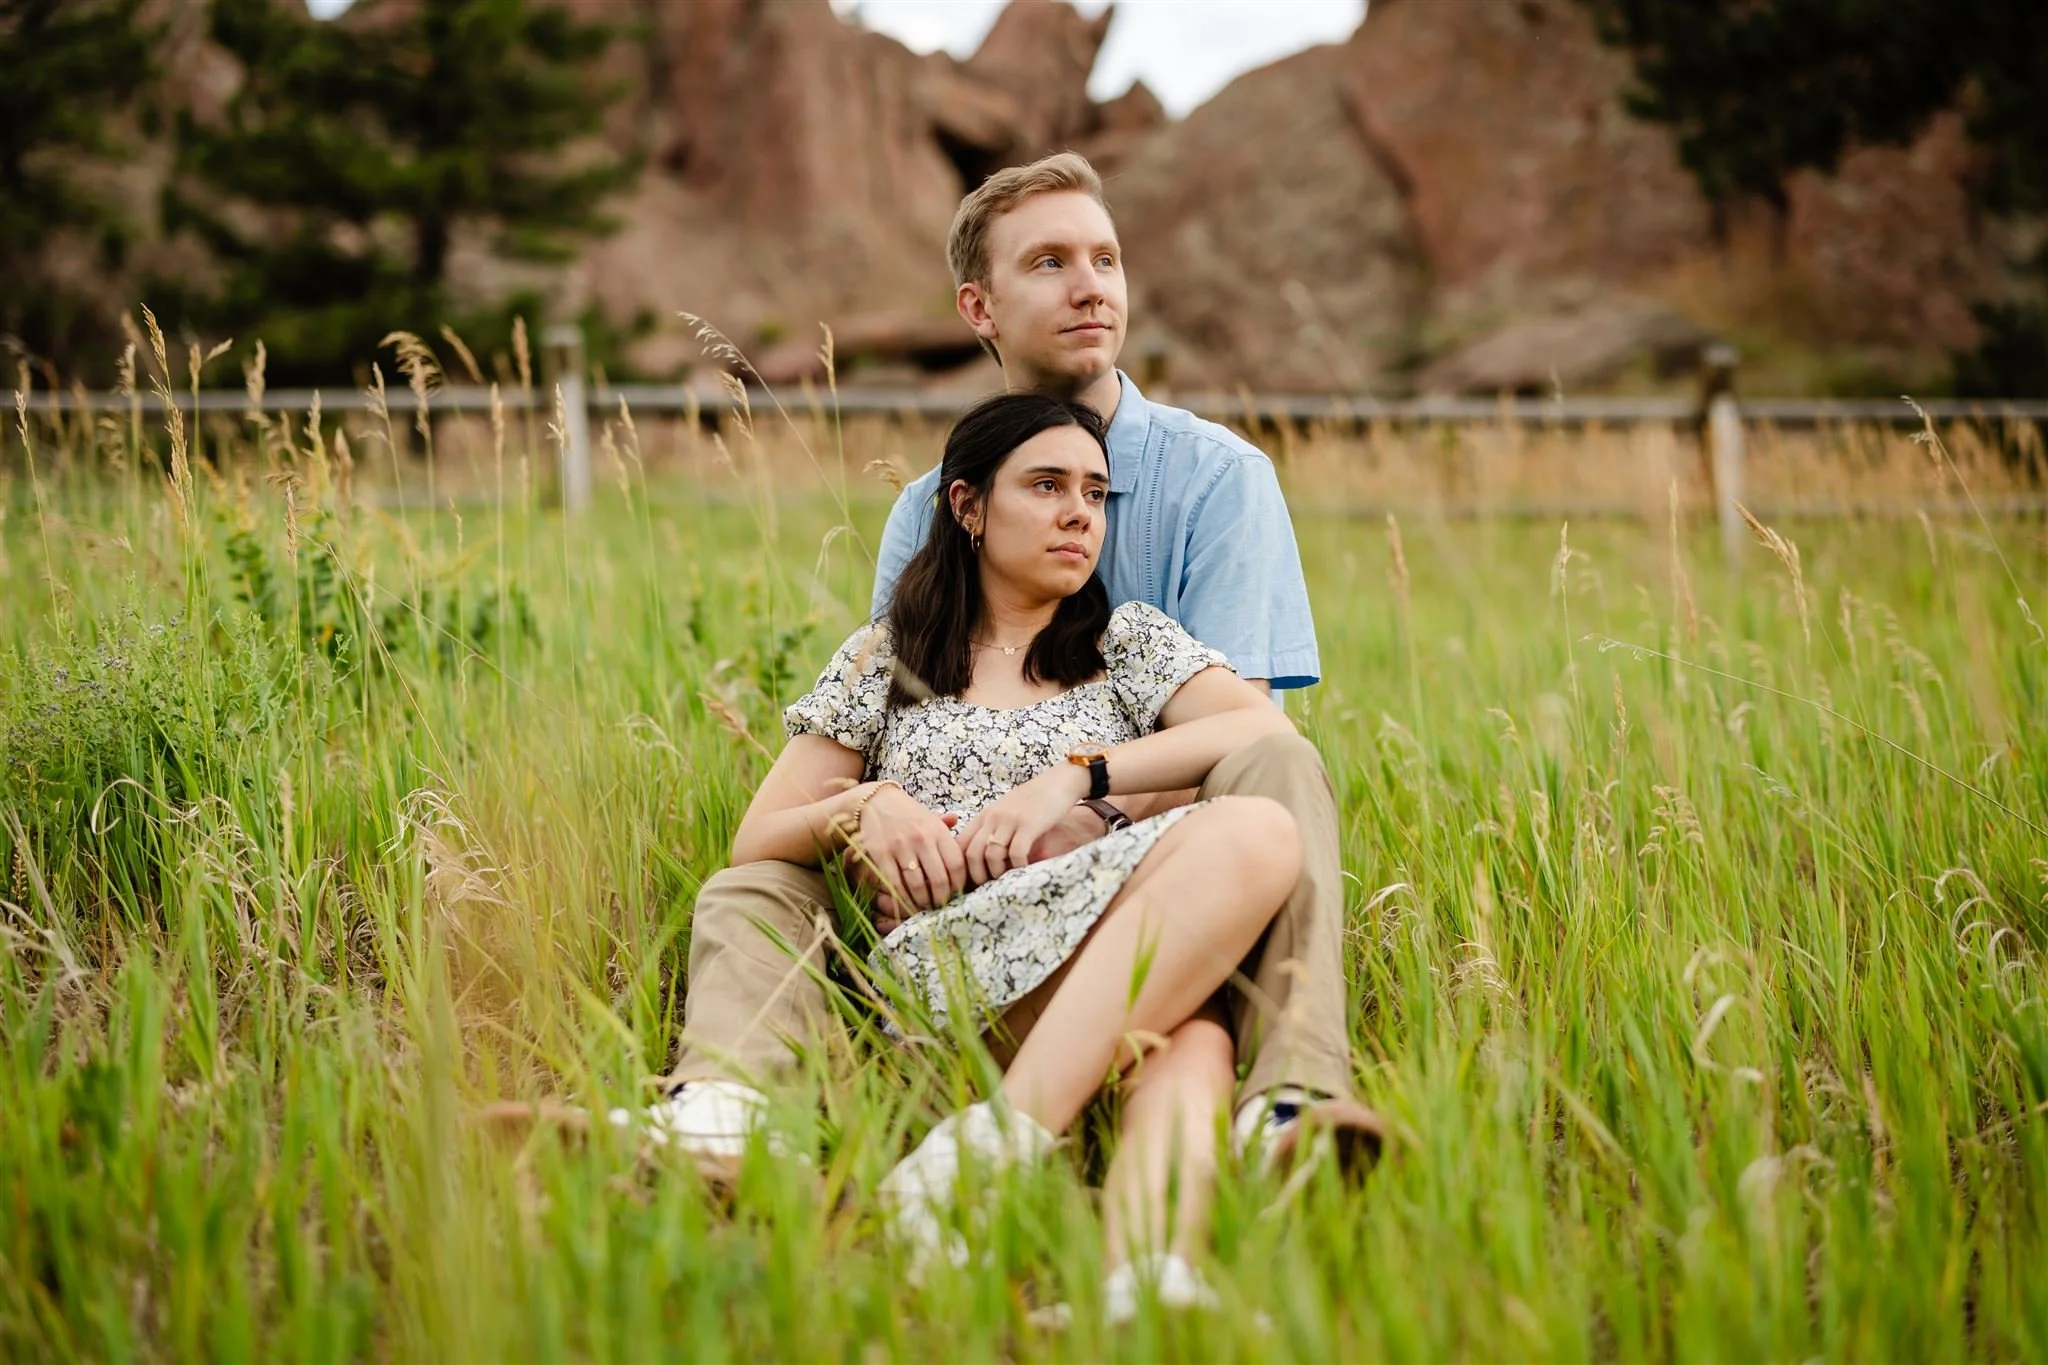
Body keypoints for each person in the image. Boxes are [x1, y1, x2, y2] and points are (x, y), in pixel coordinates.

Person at [640, 150, 1380, 1179]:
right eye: (1049, 262)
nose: (1090, 286)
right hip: (949, 887)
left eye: (1106, 259)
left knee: (1279, 774)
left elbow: (1238, 749)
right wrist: (881, 828)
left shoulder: (1216, 481)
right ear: (977, 307)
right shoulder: (920, 514)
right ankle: (730, 1119)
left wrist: (1077, 807)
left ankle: (1289, 1096)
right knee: (755, 882)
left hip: (1159, 857)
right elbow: (895, 727)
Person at [729, 390, 1302, 1308]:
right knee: (1248, 852)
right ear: (967, 505)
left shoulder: (1129, 642)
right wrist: (867, 804)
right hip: (941, 968)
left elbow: (1261, 735)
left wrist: (1079, 777)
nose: (1080, 512)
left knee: (1192, 1032)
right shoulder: (892, 653)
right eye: (1046, 485)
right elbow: (755, 838)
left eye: (1096, 492)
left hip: (1098, 952)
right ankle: (995, 1157)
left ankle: (1142, 1278)